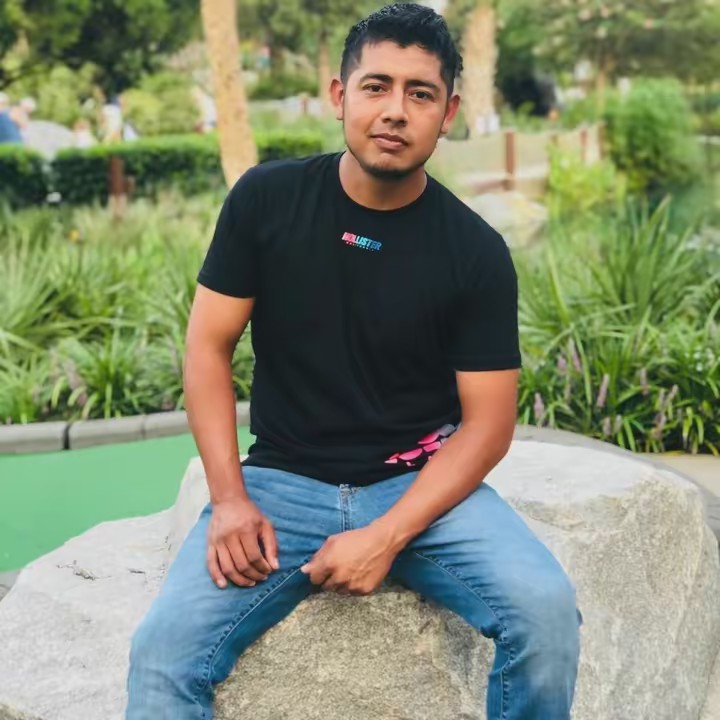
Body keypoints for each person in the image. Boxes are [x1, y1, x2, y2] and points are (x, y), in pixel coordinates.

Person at [125, 4, 583, 719]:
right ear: (339, 95)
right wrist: (230, 499)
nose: (395, 110)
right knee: (161, 656)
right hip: (280, 483)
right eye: (376, 86)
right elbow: (208, 348)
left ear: (448, 112)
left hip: (419, 488)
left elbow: (488, 426)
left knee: (547, 613)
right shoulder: (267, 200)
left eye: (420, 93)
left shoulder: (475, 253)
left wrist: (385, 535)